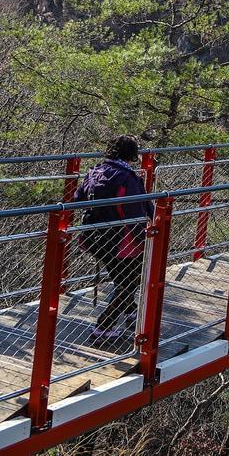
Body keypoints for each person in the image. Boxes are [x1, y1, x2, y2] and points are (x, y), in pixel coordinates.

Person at [74, 135, 152, 342]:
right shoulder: (128, 178)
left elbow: (78, 199)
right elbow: (136, 211)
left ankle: (130, 312)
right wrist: (146, 239)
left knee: (121, 277)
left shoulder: (94, 173)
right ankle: (103, 326)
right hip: (123, 240)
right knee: (130, 281)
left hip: (95, 237)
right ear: (132, 154)